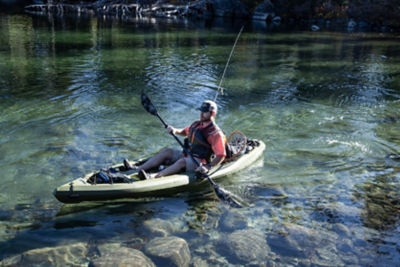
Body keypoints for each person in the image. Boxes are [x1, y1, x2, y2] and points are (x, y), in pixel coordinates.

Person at [124, 100, 226, 180]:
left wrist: (208, 167)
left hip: (199, 161)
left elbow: (221, 155)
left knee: (182, 162)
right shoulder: (197, 124)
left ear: (212, 113)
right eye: (201, 111)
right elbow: (185, 132)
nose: (201, 114)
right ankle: (137, 169)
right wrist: (174, 130)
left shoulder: (215, 133)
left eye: (204, 112)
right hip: (187, 154)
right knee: (166, 151)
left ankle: (154, 176)